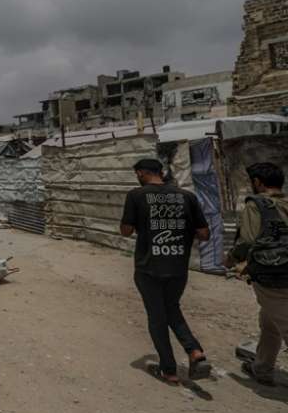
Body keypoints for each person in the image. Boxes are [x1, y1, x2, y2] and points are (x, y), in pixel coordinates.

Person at [120, 158, 212, 384]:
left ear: (141, 173)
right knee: (171, 308)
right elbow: (204, 234)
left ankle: (169, 369)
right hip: (178, 267)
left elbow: (126, 231)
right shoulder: (187, 196)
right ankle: (194, 351)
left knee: (157, 317)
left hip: (148, 267)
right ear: (161, 172)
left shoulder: (136, 196)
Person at [225, 162, 288, 386]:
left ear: (257, 182)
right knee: (269, 324)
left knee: (281, 321)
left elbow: (247, 242)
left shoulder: (256, 205)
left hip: (274, 276)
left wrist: (231, 259)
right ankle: (262, 369)